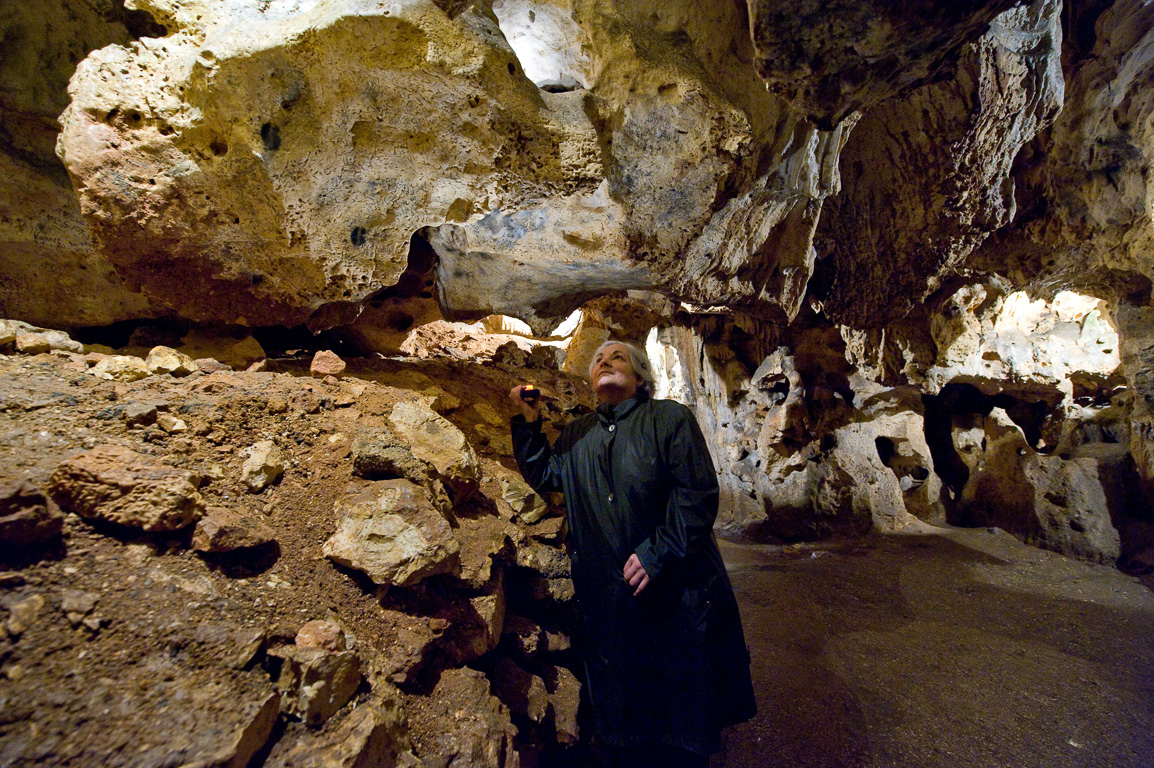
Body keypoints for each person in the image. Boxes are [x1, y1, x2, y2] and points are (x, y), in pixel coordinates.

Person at [509, 340, 756, 768]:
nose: (604, 362)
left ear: (640, 377)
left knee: (680, 704)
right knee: (626, 713)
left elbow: (696, 495)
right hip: (611, 594)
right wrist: (528, 423)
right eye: (598, 360)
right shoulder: (577, 434)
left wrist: (658, 552)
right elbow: (548, 473)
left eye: (616, 357)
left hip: (677, 590)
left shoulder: (668, 419)